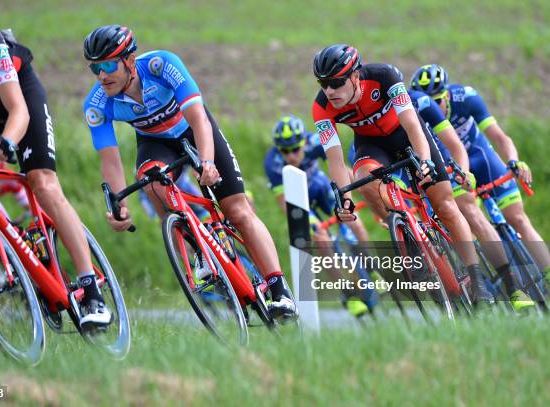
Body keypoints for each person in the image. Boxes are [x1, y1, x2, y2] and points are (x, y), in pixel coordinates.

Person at [81, 25, 297, 320]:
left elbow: (198, 119)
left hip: (195, 131)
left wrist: (207, 163)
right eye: (95, 68)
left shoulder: (162, 66)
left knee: (237, 210)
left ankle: (279, 290)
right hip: (155, 142)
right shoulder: (97, 104)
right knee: (151, 182)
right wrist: (120, 205)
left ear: (130, 61)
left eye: (107, 65)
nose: (102, 75)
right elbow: (111, 161)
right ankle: (197, 248)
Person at [0, 1, 110, 328]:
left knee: (42, 183)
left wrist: (7, 141)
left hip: (20, 97)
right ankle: (9, 237)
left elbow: (18, 110)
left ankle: (90, 289)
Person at [310, 44, 493, 305]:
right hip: (371, 145)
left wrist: (425, 162)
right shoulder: (321, 107)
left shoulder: (384, 77)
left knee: (445, 206)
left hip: (407, 136)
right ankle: (402, 228)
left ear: (355, 76)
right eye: (323, 83)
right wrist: (343, 198)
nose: (329, 91)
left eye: (336, 82)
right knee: (364, 178)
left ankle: (477, 279)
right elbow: (336, 160)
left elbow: (411, 123)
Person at [410, 64, 550, 285]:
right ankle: (497, 274)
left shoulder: (466, 97)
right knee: (470, 214)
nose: (434, 107)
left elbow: (500, 137)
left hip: (480, 157)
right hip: (453, 165)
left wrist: (514, 160)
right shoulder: (419, 113)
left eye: (438, 100)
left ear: (447, 94)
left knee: (518, 218)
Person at [264, 115, 381, 316]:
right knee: (321, 241)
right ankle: (348, 293)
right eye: (285, 151)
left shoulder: (314, 142)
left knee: (356, 223)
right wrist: (308, 222)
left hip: (318, 187)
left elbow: (340, 169)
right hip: (299, 200)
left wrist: (358, 191)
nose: (291, 155)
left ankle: (371, 267)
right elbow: (284, 202)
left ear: (303, 142)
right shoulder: (272, 162)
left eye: (295, 149)